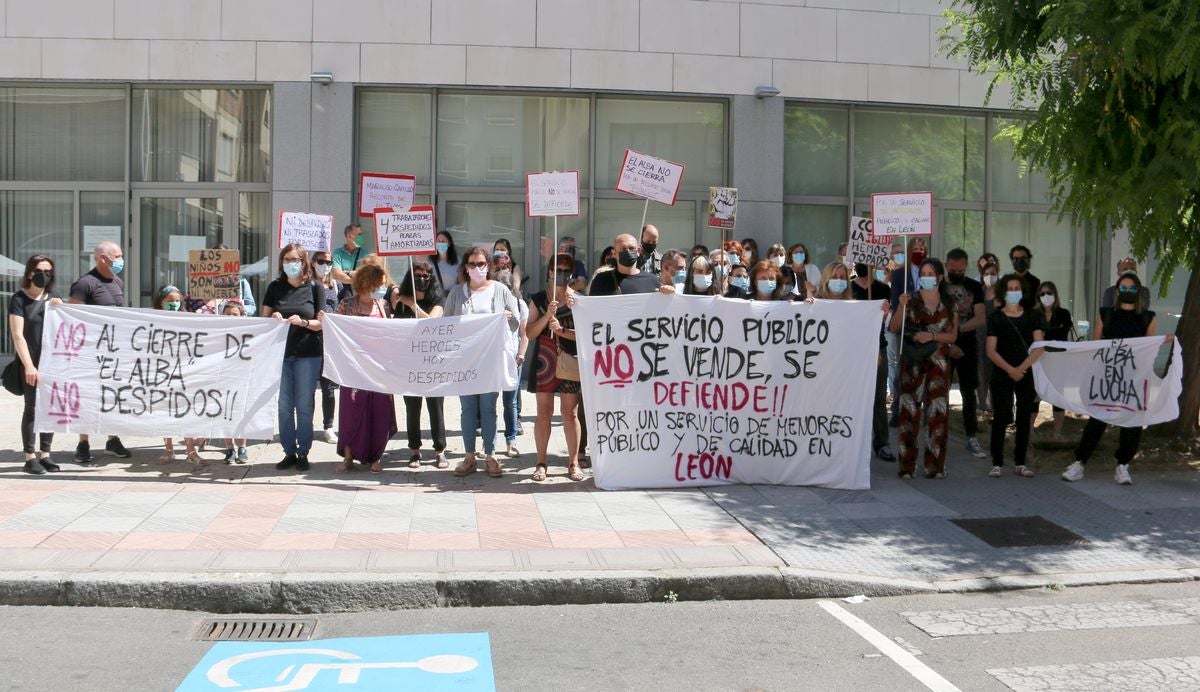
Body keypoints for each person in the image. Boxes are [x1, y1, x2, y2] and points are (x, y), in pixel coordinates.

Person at [1062, 273, 1171, 485]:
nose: (1127, 292)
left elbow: (1149, 348)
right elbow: (1095, 346)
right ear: (1117, 291)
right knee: (1098, 417)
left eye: (1132, 289)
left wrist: (1163, 341)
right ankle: (1079, 462)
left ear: (1138, 292)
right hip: (1108, 376)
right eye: (1123, 288)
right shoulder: (1105, 314)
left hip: (1135, 377)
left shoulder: (1148, 317)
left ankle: (1123, 465)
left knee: (1132, 420)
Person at [443, 246, 522, 478]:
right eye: (472, 264)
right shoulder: (457, 293)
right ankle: (469, 457)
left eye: (481, 264)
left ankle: (491, 455)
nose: (477, 268)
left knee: (488, 408)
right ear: (465, 268)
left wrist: (507, 319)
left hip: (490, 360)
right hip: (465, 361)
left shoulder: (500, 290)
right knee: (467, 408)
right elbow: (445, 325)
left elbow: (516, 322)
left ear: (488, 265)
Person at [889, 259, 958, 480]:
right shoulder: (911, 299)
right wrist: (901, 305)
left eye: (931, 273)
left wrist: (932, 336)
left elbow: (953, 335)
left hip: (939, 363)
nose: (927, 277)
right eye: (924, 273)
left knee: (937, 412)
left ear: (939, 277)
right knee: (909, 412)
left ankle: (935, 466)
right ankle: (907, 467)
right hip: (913, 362)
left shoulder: (949, 302)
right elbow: (894, 327)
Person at [68, 240, 131, 464]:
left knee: (112, 396)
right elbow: (73, 318)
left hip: (113, 353)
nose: (121, 261)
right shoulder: (85, 283)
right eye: (118, 256)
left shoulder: (117, 282)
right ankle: (83, 442)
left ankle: (112, 440)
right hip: (90, 354)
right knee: (87, 397)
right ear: (103, 258)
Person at [262, 244, 325, 473]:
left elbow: (321, 323)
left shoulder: (315, 287)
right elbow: (264, 320)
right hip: (280, 355)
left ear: (304, 262)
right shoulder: (274, 287)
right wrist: (275, 318)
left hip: (308, 354)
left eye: (295, 259)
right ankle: (288, 451)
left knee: (304, 404)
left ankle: (303, 451)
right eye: (287, 259)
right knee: (284, 405)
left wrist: (304, 323)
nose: (291, 263)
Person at [333, 264, 397, 474]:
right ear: (367, 284)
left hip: (379, 369)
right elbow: (336, 331)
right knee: (352, 412)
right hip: (353, 369)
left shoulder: (384, 306)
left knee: (380, 412)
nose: (382, 288)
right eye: (379, 284)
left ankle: (376, 456)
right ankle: (349, 456)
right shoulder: (347, 304)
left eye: (384, 284)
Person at [526, 254, 585, 482]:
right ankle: (541, 463)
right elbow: (529, 333)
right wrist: (547, 316)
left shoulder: (578, 300)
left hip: (570, 359)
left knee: (570, 414)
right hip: (545, 359)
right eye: (555, 269)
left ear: (570, 274)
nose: (559, 273)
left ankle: (573, 463)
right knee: (543, 413)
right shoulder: (540, 299)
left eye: (564, 269)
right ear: (549, 272)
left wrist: (562, 330)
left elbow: (587, 334)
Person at [986, 274, 1046, 478]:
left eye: (1016, 288)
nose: (1013, 292)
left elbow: (1039, 347)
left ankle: (1020, 461)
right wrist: (1010, 369)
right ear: (1003, 292)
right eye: (1009, 288)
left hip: (1026, 372)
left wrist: (1021, 368)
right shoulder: (995, 317)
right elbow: (991, 350)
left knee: (1024, 417)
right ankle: (997, 462)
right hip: (1002, 373)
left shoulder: (1033, 316)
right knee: (1001, 416)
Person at [391, 259, 449, 469]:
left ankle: (439, 450)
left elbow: (432, 323)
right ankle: (414, 451)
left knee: (436, 407)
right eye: (418, 275)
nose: (422, 279)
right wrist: (396, 297)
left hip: (433, 363)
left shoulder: (439, 299)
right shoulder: (401, 298)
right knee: (412, 408)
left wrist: (413, 306)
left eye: (426, 276)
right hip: (411, 363)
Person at [9, 255, 63, 474]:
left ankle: (46, 454)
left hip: (51, 363)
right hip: (29, 362)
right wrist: (29, 366)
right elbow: (17, 335)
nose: (44, 275)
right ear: (30, 273)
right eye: (40, 270)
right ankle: (30, 456)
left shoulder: (53, 298)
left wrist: (61, 309)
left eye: (48, 271)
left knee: (49, 408)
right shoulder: (19, 299)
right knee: (31, 409)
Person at [944, 248, 988, 459]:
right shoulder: (939, 286)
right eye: (954, 269)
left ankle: (971, 435)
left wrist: (958, 329)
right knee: (939, 390)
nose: (957, 273)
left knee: (968, 392)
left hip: (968, 344)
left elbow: (980, 318)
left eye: (961, 270)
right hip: (943, 344)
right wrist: (949, 339)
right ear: (947, 266)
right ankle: (938, 432)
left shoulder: (974, 286)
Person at [851, 263, 895, 462]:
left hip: (877, 347)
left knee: (878, 397)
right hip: (850, 349)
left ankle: (882, 443)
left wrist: (885, 311)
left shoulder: (883, 289)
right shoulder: (847, 287)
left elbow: (886, 318)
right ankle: (851, 443)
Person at [494, 266, 529, 459]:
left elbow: (524, 335)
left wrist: (521, 356)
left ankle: (511, 440)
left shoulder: (520, 304)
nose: (504, 290)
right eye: (500, 286)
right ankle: (487, 443)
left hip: (513, 358)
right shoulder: (490, 304)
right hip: (492, 358)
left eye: (507, 286)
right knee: (488, 402)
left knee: (511, 402)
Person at [311, 249, 341, 445]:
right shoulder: (307, 285)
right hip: (309, 339)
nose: (325, 265)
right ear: (313, 262)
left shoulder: (336, 286)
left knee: (328, 388)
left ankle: (328, 426)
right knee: (308, 388)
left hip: (329, 341)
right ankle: (306, 425)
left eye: (329, 262)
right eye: (321, 261)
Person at [1037, 281, 1073, 440]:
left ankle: (1057, 432)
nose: (1046, 297)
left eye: (1049, 293)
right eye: (1042, 293)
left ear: (1055, 295)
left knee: (1058, 397)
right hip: (1038, 360)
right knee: (1035, 394)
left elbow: (1062, 334)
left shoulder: (1064, 313)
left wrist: (1044, 335)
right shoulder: (1034, 314)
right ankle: (1030, 431)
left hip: (1058, 360)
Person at [216, 299, 250, 464]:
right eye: (227, 314)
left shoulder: (248, 333)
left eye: (234, 314)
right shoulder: (216, 333)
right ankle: (229, 448)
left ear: (242, 316)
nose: (230, 316)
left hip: (241, 379)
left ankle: (242, 446)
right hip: (222, 378)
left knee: (240, 413)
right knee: (224, 413)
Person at [588, 234, 662, 296]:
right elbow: (591, 308)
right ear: (614, 253)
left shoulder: (652, 281)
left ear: (638, 251)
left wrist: (669, 293)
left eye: (631, 248)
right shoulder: (602, 280)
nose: (628, 251)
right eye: (623, 249)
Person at [976, 261, 1002, 415]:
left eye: (993, 274)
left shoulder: (1001, 294)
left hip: (996, 339)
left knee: (996, 373)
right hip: (980, 337)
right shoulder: (979, 293)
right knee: (981, 372)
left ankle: (994, 406)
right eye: (986, 274)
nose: (990, 277)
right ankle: (981, 405)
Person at [332, 223, 365, 288]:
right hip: (342, 293)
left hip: (362, 293)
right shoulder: (336, 253)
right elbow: (338, 275)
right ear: (349, 236)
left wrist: (347, 272)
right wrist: (359, 280)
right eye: (359, 235)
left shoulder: (366, 254)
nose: (362, 237)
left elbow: (367, 275)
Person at [1008, 245, 1040, 309]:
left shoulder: (1035, 281)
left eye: (1023, 258)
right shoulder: (1006, 281)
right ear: (1012, 261)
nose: (1020, 261)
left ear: (1028, 259)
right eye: (1016, 259)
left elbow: (1037, 304)